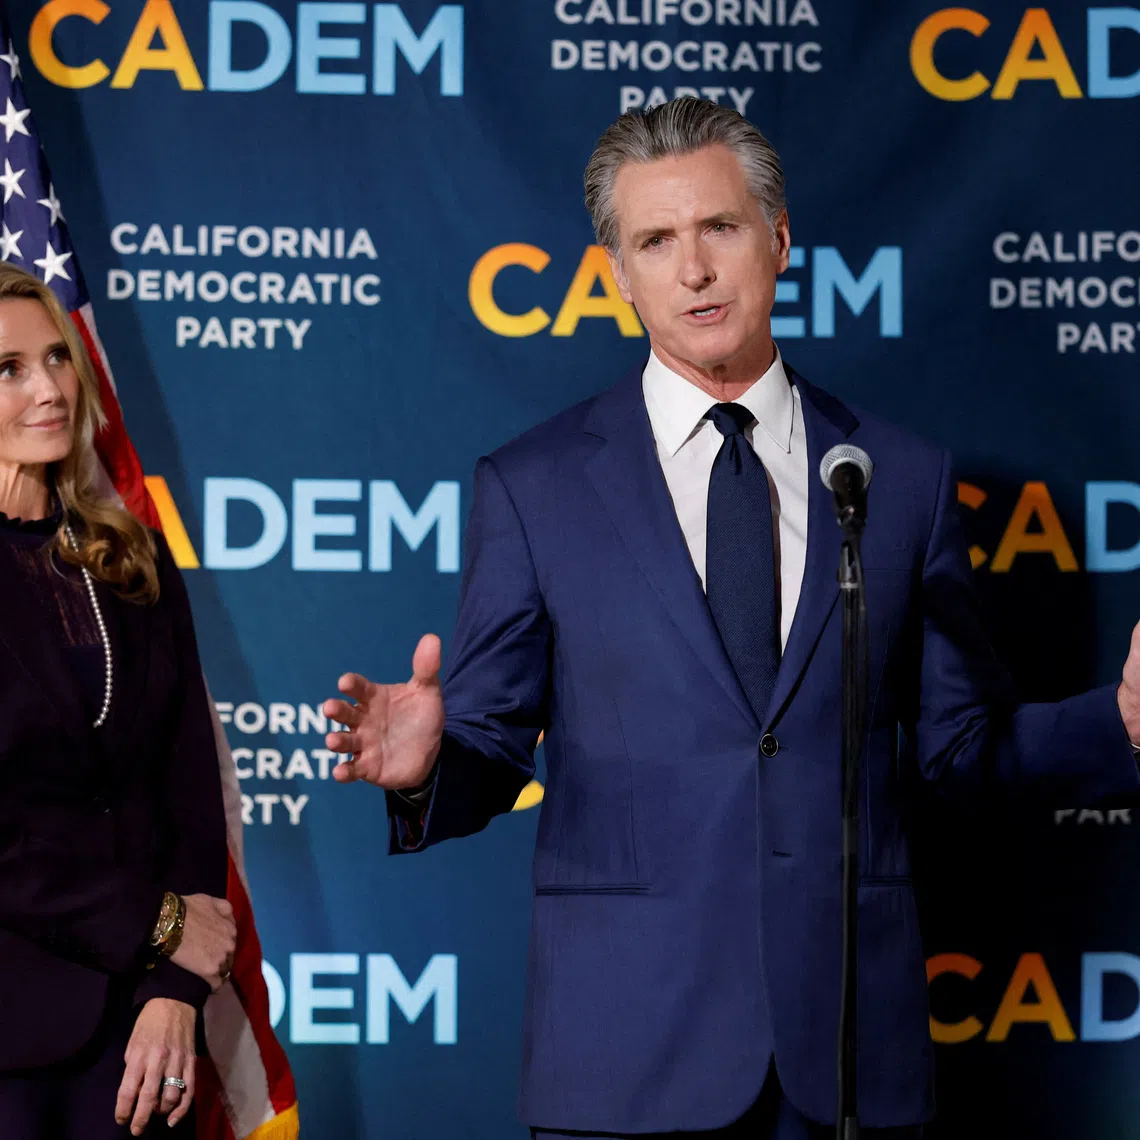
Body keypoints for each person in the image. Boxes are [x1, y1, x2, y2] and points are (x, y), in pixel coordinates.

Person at [323, 99, 1140, 1139]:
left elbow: (960, 750)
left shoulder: (902, 478)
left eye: (720, 228)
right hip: (625, 1060)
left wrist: (1120, 726)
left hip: (847, 1064)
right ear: (620, 273)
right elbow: (489, 740)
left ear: (779, 238)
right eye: (655, 241)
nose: (694, 269)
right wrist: (433, 766)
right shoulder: (533, 488)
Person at [0, 263, 236, 1139]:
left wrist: (174, 990)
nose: (49, 387)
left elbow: (187, 797)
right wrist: (157, 923)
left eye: (58, 357)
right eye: (9, 369)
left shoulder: (128, 558)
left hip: (141, 1042)